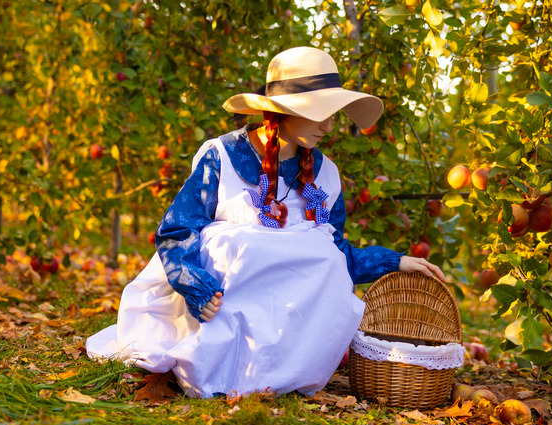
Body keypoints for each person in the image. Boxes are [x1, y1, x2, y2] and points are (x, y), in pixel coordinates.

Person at [86, 47, 445, 398]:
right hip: (218, 308)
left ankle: (279, 369)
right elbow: (178, 229)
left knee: (320, 253)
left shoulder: (326, 176)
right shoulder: (223, 157)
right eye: (318, 111)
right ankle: (211, 359)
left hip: (282, 328)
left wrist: (394, 261)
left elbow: (337, 258)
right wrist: (194, 285)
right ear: (282, 111)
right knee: (232, 240)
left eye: (333, 113)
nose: (329, 124)